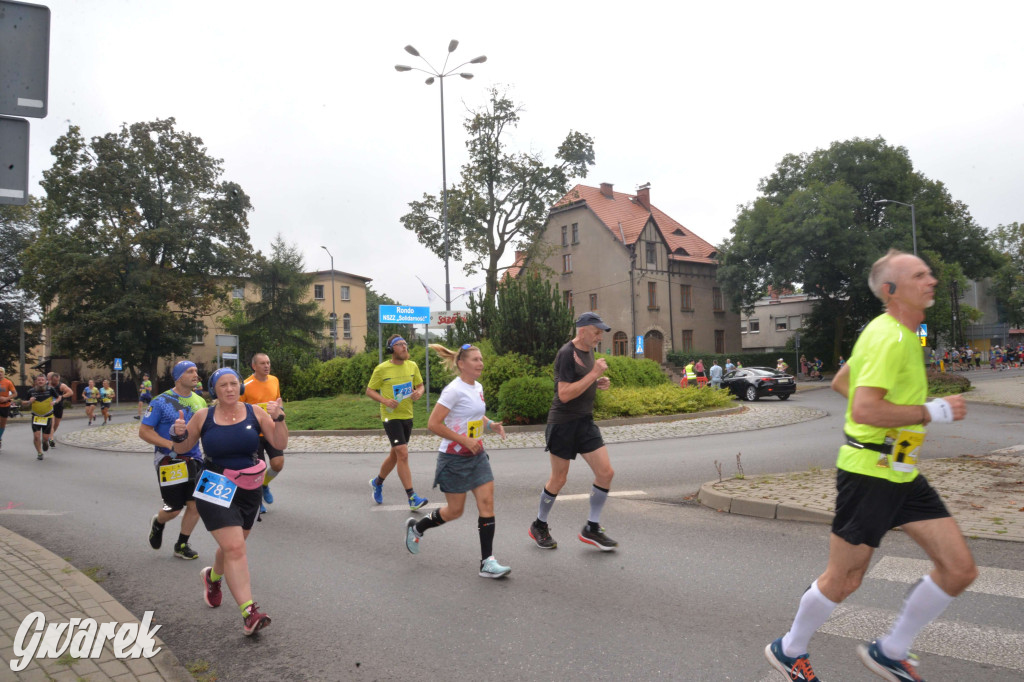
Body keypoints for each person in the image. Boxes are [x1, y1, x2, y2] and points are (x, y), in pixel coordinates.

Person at [765, 249, 976, 682]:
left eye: (929, 273)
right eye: (920, 275)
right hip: (868, 474)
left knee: (959, 569)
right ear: (891, 290)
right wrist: (931, 411)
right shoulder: (890, 337)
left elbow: (843, 382)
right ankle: (789, 649)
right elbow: (863, 407)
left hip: (901, 472)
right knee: (843, 580)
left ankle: (891, 651)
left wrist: (889, 424)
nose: (931, 279)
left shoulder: (895, 332)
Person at [170, 367, 287, 636]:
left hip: (249, 486)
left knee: (234, 545)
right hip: (215, 485)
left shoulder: (256, 412)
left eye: (234, 383)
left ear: (240, 386)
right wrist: (178, 434)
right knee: (234, 547)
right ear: (215, 390)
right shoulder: (203, 416)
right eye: (223, 385)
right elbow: (180, 447)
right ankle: (249, 612)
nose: (230, 389)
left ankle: (212, 577)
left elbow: (280, 442)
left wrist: (279, 418)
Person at [405, 343, 510, 578]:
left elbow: (473, 413)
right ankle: (418, 527)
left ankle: (487, 562)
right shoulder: (453, 390)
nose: (480, 363)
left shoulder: (478, 387)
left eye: (481, 359)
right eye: (475, 360)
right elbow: (433, 424)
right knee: (454, 511)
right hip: (453, 458)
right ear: (461, 364)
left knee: (487, 504)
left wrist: (490, 424)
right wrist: (463, 440)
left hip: (477, 455)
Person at [529, 312, 617, 551]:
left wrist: (597, 382)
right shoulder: (567, 353)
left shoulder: (590, 351)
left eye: (601, 332)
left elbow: (582, 382)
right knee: (559, 479)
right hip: (563, 424)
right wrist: (593, 375)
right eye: (597, 332)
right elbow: (565, 394)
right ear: (582, 331)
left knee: (606, 472)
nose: (600, 336)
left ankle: (592, 527)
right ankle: (539, 524)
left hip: (584, 422)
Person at [139, 361, 207, 560]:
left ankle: (181, 544)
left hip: (194, 458)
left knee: (196, 504)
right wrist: (170, 445)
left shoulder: (200, 401)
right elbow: (144, 431)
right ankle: (159, 522)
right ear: (178, 377)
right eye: (189, 371)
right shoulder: (160, 401)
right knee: (174, 509)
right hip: (169, 460)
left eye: (196, 371)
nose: (195, 374)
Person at [367, 335, 428, 511]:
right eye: (400, 344)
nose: (404, 347)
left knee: (396, 454)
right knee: (402, 453)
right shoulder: (382, 369)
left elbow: (421, 385)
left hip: (407, 415)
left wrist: (419, 392)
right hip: (390, 416)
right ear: (391, 349)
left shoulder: (412, 366)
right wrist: (385, 401)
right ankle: (412, 497)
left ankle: (377, 482)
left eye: (405, 344)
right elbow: (370, 390)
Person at [241, 353, 286, 512]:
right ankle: (257, 498)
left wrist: (280, 410)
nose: (266, 366)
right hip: (254, 433)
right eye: (262, 363)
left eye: (268, 362)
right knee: (258, 469)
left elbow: (278, 399)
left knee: (278, 464)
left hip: (272, 429)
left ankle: (265, 485)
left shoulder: (274, 380)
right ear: (254, 366)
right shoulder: (245, 385)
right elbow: (239, 409)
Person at [26, 375, 59, 460]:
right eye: (39, 380)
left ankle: (45, 442)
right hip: (36, 417)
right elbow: (24, 402)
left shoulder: (50, 389)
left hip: (47, 417)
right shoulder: (31, 391)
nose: (40, 381)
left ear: (45, 381)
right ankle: (39, 453)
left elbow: (59, 397)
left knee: (45, 438)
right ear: (36, 381)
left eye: (42, 380)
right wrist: (29, 401)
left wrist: (55, 402)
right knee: (36, 436)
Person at [46, 372, 74, 450]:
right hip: (49, 406)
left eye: (58, 380)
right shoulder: (46, 385)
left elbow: (71, 392)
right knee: (52, 423)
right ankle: (51, 439)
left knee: (56, 424)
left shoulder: (61, 386)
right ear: (51, 379)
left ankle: (49, 435)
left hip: (58, 406)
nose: (56, 382)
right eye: (55, 381)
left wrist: (62, 396)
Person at [0, 366, 17, 451]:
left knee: (2, 424)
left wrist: (6, 398)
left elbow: (15, 394)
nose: (0, 374)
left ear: (3, 373)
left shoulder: (8, 382)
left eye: (1, 372)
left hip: (5, 405)